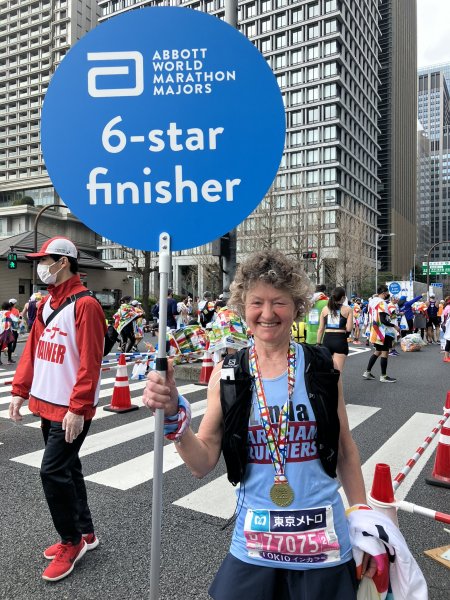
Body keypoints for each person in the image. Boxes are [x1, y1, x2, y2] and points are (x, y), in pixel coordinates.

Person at [143, 250, 377, 600]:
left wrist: (365, 523)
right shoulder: (229, 376)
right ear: (243, 307)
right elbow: (201, 461)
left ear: (297, 306)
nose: (267, 314)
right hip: (254, 546)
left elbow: (345, 451)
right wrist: (175, 417)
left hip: (322, 546)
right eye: (257, 303)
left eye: (278, 302)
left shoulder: (323, 369)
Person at [8, 236, 106, 582]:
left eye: (44, 259)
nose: (40, 266)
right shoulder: (46, 305)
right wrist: (19, 391)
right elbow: (32, 350)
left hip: (70, 409)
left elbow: (91, 361)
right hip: (47, 405)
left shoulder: (86, 305)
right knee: (68, 468)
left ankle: (71, 541)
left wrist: (78, 408)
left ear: (63, 262)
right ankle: (86, 533)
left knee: (52, 472)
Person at [363, 285, 400, 383]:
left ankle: (367, 372)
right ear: (384, 293)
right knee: (384, 352)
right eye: (387, 292)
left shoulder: (371, 302)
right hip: (383, 332)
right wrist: (394, 326)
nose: (388, 294)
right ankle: (384, 376)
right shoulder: (382, 303)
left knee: (377, 351)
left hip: (375, 331)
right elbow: (383, 320)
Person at [317, 287, 353, 373]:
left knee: (327, 372)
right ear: (343, 298)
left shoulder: (325, 309)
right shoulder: (348, 309)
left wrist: (318, 343)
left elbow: (321, 329)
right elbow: (349, 328)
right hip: (340, 340)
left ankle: (326, 387)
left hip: (327, 340)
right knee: (337, 373)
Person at [441, 297, 450, 363]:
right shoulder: (448, 308)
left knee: (448, 342)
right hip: (447, 327)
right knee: (448, 342)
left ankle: (446, 356)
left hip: (446, 326)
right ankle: (446, 357)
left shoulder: (446, 307)